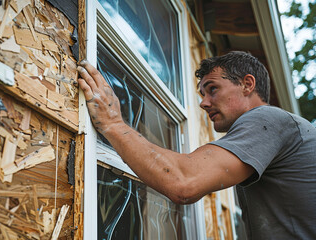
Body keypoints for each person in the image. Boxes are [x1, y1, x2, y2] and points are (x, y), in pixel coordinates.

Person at [77, 51, 316, 239]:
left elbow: (184, 182)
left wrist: (113, 124)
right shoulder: (283, 128)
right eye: (202, 94)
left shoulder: (267, 119)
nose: (203, 103)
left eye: (213, 89)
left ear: (247, 84)